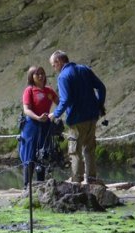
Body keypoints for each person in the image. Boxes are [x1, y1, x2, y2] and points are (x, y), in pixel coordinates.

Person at [49, 50, 108, 185]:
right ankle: (92, 180)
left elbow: (65, 100)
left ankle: (77, 182)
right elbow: (101, 88)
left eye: (53, 65)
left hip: (76, 120)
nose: (54, 68)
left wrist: (55, 114)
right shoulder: (84, 69)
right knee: (89, 149)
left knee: (75, 152)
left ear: (59, 62)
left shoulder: (63, 76)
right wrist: (99, 105)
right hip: (92, 117)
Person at [19, 65, 58, 187]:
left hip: (45, 125)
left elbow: (61, 103)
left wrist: (53, 114)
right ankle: (27, 186)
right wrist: (37, 117)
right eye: (37, 74)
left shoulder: (49, 91)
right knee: (29, 155)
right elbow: (26, 110)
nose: (41, 76)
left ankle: (40, 185)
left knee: (43, 154)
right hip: (31, 126)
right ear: (31, 76)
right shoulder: (29, 90)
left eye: (42, 73)